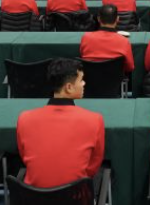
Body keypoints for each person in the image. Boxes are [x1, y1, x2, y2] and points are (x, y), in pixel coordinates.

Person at [16, 58, 105, 188]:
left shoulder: (24, 118)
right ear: (68, 87)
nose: (84, 83)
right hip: (77, 198)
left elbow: (25, 157)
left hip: (33, 198)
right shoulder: (95, 120)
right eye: (81, 80)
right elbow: (93, 166)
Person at [80, 4, 135, 73]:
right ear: (117, 19)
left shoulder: (86, 38)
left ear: (98, 19)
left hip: (90, 78)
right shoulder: (124, 41)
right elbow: (130, 68)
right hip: (115, 79)